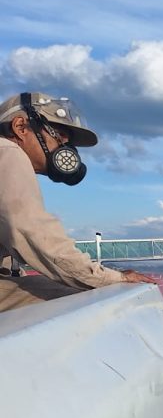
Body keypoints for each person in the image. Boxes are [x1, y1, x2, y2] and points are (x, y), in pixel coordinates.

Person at [0, 91, 154, 313]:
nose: (66, 148)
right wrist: (112, 279)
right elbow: (34, 233)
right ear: (21, 127)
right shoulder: (8, 152)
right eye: (60, 136)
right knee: (92, 298)